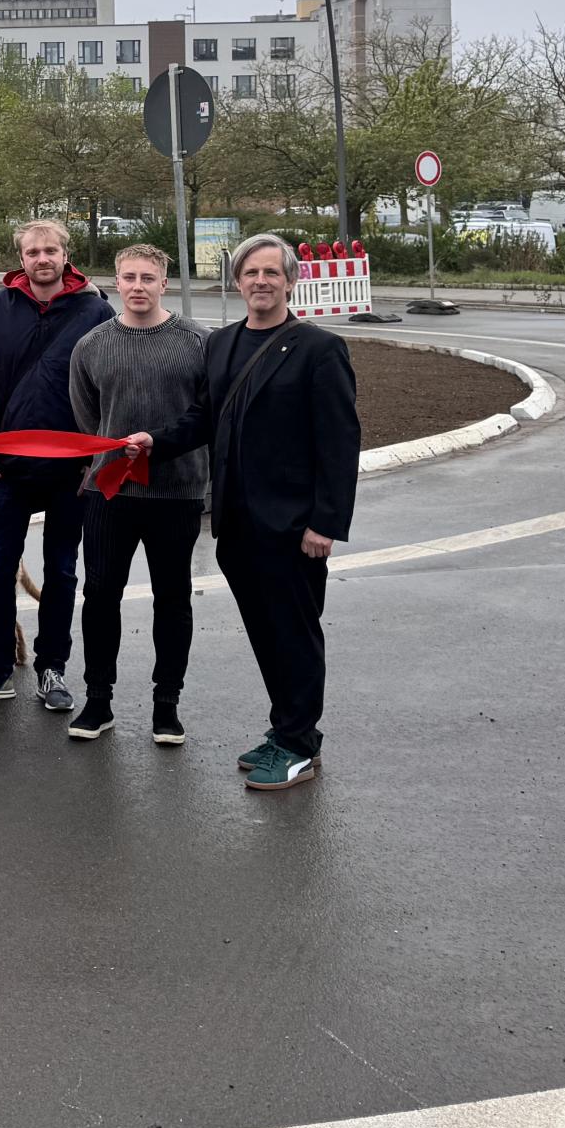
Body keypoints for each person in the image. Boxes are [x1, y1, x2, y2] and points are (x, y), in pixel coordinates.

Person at [129, 234, 361, 792]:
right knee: (265, 632)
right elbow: (204, 419)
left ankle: (301, 744)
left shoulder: (319, 348)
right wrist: (153, 442)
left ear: (289, 281)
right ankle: (286, 730)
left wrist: (325, 523)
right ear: (237, 282)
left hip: (293, 526)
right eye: (250, 272)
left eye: (271, 273)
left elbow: (339, 443)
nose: (261, 281)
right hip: (235, 525)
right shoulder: (223, 343)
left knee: (295, 634)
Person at [0, 218, 112, 714]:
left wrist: (100, 457)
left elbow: (109, 388)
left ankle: (52, 669)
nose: (41, 259)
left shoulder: (97, 311)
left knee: (63, 573)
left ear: (67, 254)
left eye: (50, 250)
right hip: (9, 466)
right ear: (20, 258)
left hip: (72, 469)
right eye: (32, 252)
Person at [65, 243, 209, 746]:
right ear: (117, 282)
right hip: (110, 492)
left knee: (173, 598)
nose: (138, 286)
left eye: (148, 278)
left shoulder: (196, 342)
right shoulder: (92, 345)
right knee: (100, 594)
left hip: (179, 492)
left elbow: (206, 415)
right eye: (129, 277)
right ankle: (98, 700)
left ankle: (166, 705)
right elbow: (87, 417)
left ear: (164, 283)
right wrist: (115, 452)